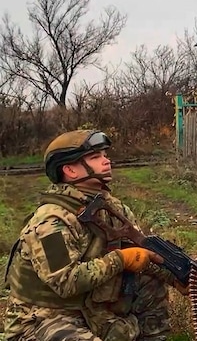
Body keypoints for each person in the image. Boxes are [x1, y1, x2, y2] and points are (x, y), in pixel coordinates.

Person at [3, 129, 179, 341]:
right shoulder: (49, 222)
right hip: (42, 318)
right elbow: (66, 282)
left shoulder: (112, 208)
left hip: (89, 307)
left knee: (149, 280)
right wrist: (121, 259)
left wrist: (176, 278)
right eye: (96, 157)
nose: (106, 161)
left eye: (105, 155)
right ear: (70, 170)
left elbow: (142, 253)